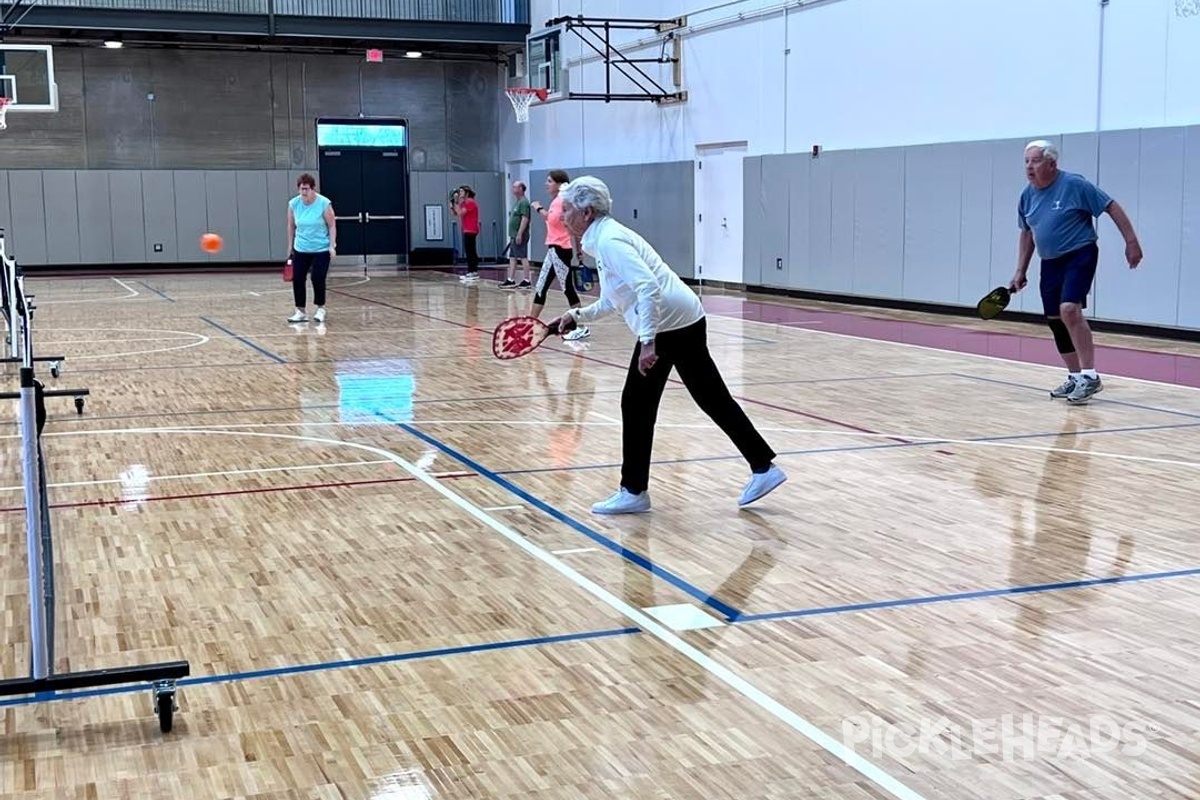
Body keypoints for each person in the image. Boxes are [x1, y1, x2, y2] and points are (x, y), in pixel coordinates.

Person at [552, 176, 787, 515]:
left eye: (568, 208)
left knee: (636, 405)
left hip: (669, 325)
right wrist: (579, 315)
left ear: (587, 212)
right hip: (684, 319)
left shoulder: (610, 241)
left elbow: (648, 289)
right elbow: (615, 298)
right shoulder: (602, 237)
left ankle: (633, 491)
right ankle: (763, 467)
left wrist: (648, 343)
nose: (562, 215)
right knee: (710, 398)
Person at [1009, 140, 1143, 404]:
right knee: (1055, 320)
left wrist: (1131, 242)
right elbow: (1027, 234)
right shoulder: (1026, 196)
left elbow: (1111, 206)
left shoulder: (1074, 185)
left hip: (1079, 253)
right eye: (1026, 161)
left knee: (1069, 309)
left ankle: (1091, 376)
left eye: (1035, 160)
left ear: (1052, 164)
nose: (1029, 167)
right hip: (1050, 262)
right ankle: (1075, 377)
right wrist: (1020, 271)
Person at [531, 170, 590, 341]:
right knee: (541, 285)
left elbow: (555, 221)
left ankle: (581, 326)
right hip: (553, 249)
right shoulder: (558, 201)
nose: (546, 184)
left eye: (549, 181)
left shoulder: (561, 202)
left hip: (560, 250)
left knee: (567, 288)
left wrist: (538, 208)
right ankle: (530, 323)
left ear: (559, 184)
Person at [287, 173, 337, 324]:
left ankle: (321, 308)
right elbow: (291, 226)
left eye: (306, 189)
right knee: (298, 278)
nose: (304, 192)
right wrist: (290, 247)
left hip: (321, 249)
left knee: (317, 277)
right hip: (301, 248)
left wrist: (332, 245)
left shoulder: (324, 203)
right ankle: (300, 311)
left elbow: (332, 225)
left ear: (313, 189)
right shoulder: (293, 204)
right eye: (301, 189)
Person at [500, 181, 533, 290]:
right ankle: (511, 279)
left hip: (520, 235)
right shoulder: (517, 202)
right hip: (514, 235)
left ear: (521, 189)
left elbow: (525, 218)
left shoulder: (524, 202)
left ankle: (527, 280)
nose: (513, 188)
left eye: (515, 187)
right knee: (513, 257)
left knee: (523, 257)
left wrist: (519, 234)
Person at [452, 185, 481, 283]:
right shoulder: (464, 203)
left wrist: (456, 202)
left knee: (471, 251)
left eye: (461, 192)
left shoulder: (470, 202)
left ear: (467, 193)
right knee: (469, 250)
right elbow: (456, 213)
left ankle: (473, 271)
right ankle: (471, 271)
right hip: (466, 229)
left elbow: (461, 213)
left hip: (471, 229)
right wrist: (453, 205)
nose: (460, 193)